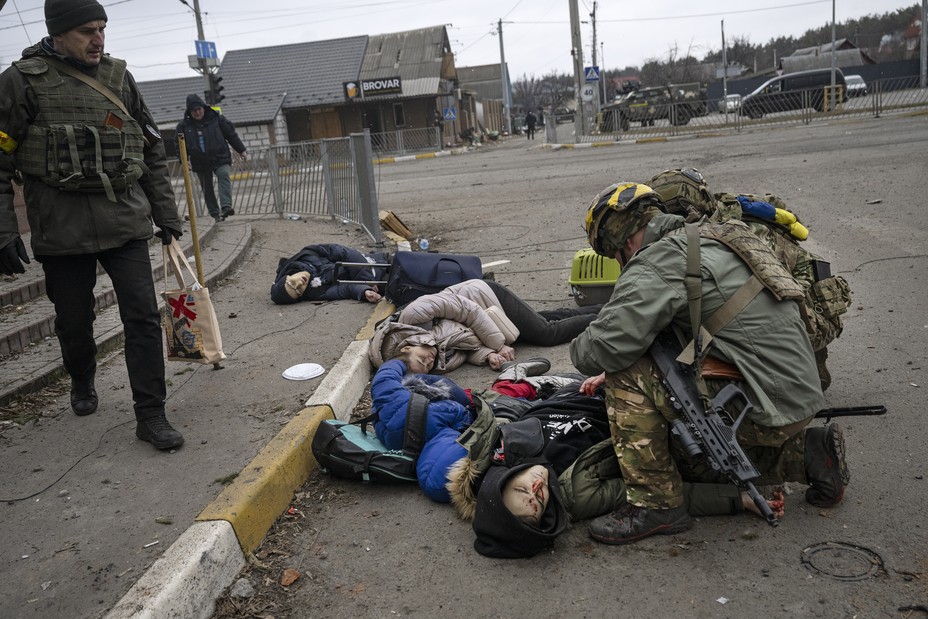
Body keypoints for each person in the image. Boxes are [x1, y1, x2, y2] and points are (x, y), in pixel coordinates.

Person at [568, 181, 849, 545]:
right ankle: (807, 454)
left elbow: (595, 352)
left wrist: (594, 346)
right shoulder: (720, 233)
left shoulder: (657, 262)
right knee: (682, 431)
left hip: (765, 402)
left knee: (627, 374)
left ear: (619, 240)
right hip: (799, 388)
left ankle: (657, 505)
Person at [0, 0, 185, 450]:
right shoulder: (19, 82)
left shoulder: (119, 77)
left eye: (102, 28)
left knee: (142, 317)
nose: (98, 39)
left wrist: (166, 215)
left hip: (124, 219)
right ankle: (82, 378)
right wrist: (4, 231)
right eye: (86, 31)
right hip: (61, 229)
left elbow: (151, 150)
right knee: (74, 323)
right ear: (58, 33)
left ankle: (151, 414)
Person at [644, 168, 852, 390]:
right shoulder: (717, 217)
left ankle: (798, 374)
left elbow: (769, 303)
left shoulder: (739, 233)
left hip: (812, 314)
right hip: (798, 303)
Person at [368, 278, 601, 372]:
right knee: (543, 320)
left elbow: (468, 311)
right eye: (427, 367)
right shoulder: (434, 356)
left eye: (422, 359)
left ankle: (607, 317)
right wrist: (488, 355)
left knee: (546, 333)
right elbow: (462, 344)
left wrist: (498, 345)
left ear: (406, 348)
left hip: (484, 297)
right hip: (492, 319)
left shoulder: (414, 315)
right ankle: (605, 308)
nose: (429, 361)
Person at [175, 93, 247, 222]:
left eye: (199, 109)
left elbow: (231, 134)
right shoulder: (184, 126)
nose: (197, 112)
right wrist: (184, 159)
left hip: (220, 156)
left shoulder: (216, 118)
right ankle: (215, 213)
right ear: (189, 112)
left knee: (223, 174)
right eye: (194, 110)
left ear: (203, 108)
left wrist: (241, 150)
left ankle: (226, 206)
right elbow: (179, 144)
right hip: (200, 161)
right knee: (206, 187)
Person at [270, 243, 389, 304]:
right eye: (298, 291)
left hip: (379, 262)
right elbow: (345, 289)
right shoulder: (315, 292)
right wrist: (364, 292)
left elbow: (344, 252)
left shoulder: (307, 254)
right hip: (380, 282)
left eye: (292, 283)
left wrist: (367, 279)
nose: (300, 284)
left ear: (287, 277)